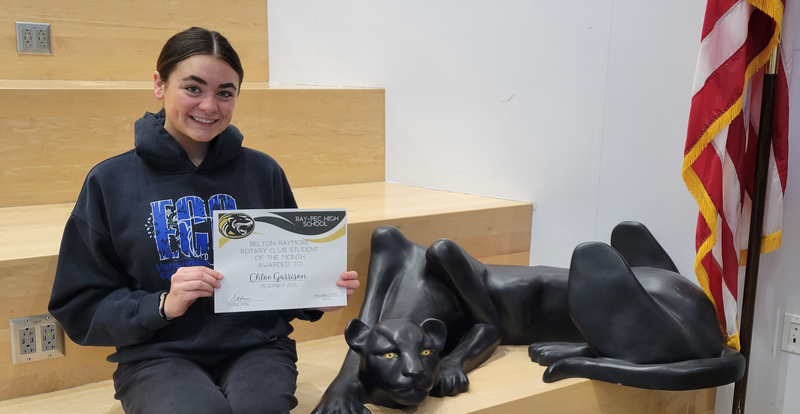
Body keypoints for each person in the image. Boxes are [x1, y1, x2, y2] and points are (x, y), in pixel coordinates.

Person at [48, 27, 360, 414]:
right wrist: (162, 304)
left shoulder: (263, 171)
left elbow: (285, 270)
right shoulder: (110, 181)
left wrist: (319, 289)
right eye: (193, 88)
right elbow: (79, 304)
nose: (209, 106)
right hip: (157, 354)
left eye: (225, 92)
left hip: (257, 346)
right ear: (160, 85)